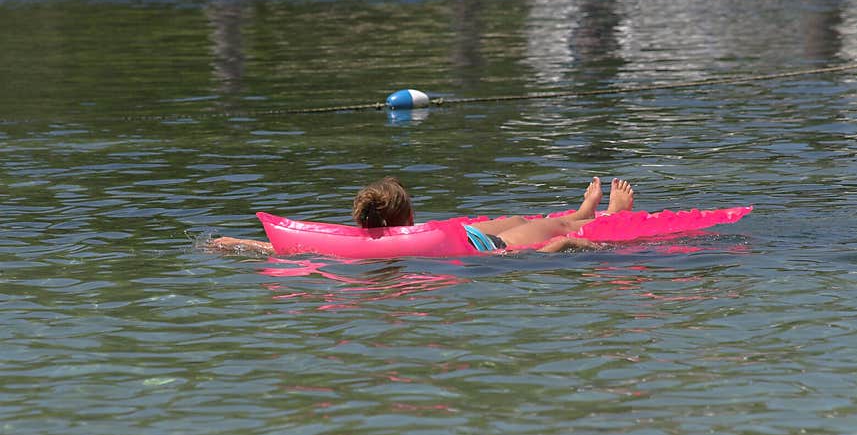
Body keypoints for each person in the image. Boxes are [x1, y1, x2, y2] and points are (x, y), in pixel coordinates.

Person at [208, 175, 634, 255]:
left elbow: (292, 248)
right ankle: (604, 216)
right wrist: (569, 243)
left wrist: (239, 244)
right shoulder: (411, 245)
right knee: (552, 229)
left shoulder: (363, 247)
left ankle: (583, 211)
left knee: (523, 220)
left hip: (469, 235)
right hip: (484, 244)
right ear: (408, 218)